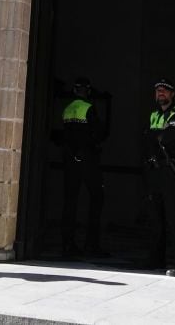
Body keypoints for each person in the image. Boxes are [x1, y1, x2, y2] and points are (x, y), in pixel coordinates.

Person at [144, 78, 175, 277]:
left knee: (174, 218)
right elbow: (147, 139)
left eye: (165, 90)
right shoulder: (154, 115)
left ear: (172, 94)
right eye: (158, 90)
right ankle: (156, 259)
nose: (161, 93)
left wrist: (154, 136)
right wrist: (155, 136)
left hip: (172, 171)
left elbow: (168, 139)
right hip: (155, 171)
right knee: (155, 217)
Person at [60, 76, 107, 257]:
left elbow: (64, 136)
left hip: (70, 160)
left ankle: (67, 243)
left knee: (70, 202)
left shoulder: (67, 109)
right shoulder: (88, 108)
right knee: (97, 198)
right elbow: (99, 133)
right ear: (87, 91)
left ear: (74, 91)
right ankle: (91, 245)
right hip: (88, 159)